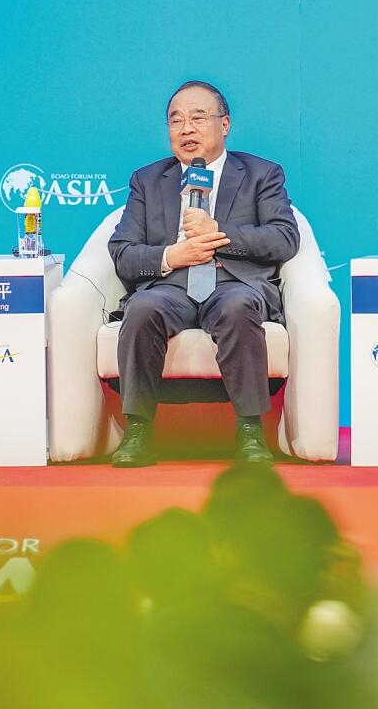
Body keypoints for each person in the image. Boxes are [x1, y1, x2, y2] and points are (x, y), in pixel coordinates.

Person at [108, 81, 300, 467]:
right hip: (170, 285)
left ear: (224, 124)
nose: (186, 129)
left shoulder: (261, 174)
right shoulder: (147, 180)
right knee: (142, 308)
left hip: (232, 282)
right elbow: (123, 252)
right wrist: (172, 255)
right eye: (176, 120)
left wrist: (218, 233)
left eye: (198, 118)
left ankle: (250, 429)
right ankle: (138, 430)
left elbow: (284, 238)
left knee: (238, 306)